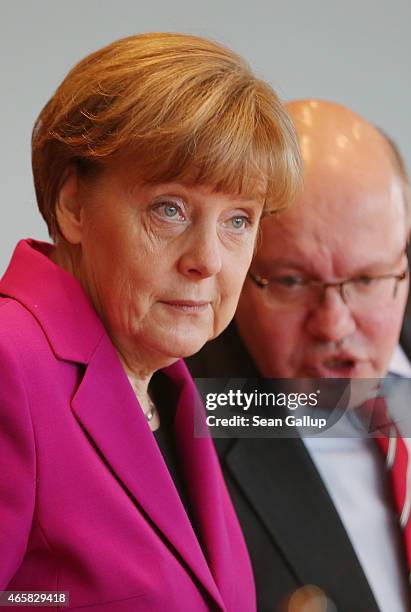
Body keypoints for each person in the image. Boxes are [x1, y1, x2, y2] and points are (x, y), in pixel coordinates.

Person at [0, 33, 301, 611]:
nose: (207, 259)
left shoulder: (169, 383)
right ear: (73, 205)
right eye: (171, 208)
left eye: (239, 220)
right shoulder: (12, 365)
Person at [187, 100, 411, 611]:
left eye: (368, 280)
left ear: (404, 241)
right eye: (291, 281)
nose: (333, 325)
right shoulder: (184, 413)